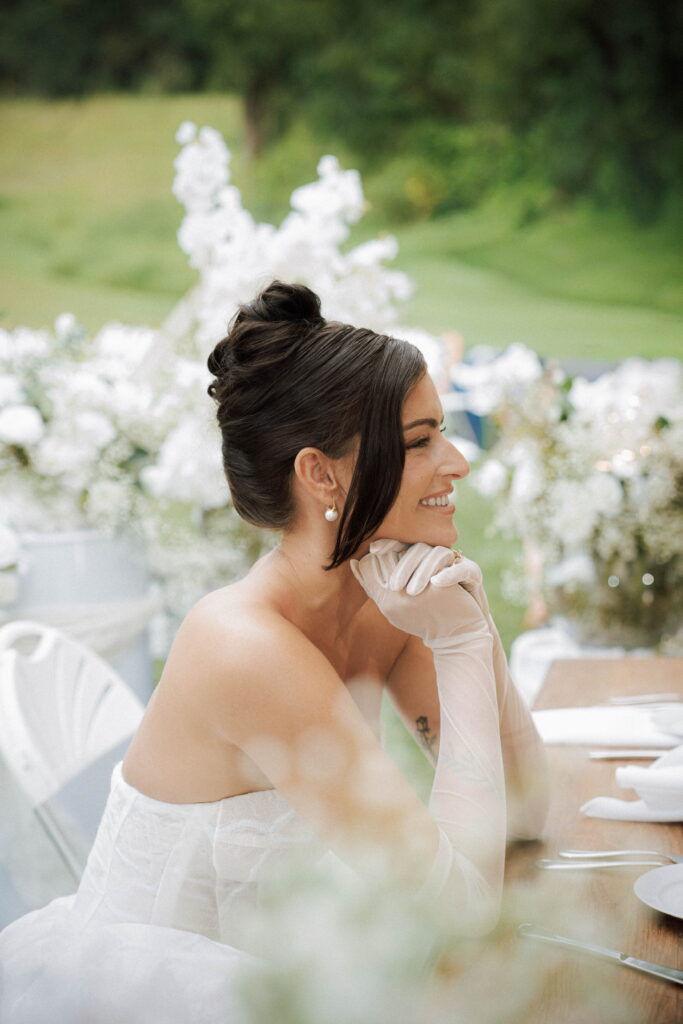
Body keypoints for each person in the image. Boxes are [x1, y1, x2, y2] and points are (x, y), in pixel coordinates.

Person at [0, 280, 548, 1022]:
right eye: (420, 441)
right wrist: (453, 644)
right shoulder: (245, 649)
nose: (457, 462)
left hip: (290, 968)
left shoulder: (383, 603)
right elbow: (455, 912)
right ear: (320, 472)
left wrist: (473, 633)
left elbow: (523, 812)